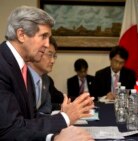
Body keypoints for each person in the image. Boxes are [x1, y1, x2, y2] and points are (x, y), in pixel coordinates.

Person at [0, 6, 94, 140]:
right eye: (43, 36)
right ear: (21, 35)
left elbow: (30, 119)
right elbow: (10, 130)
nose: (47, 44)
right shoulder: (2, 66)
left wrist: (60, 122)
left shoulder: (21, 67)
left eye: (49, 37)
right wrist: (65, 118)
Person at [28, 36, 63, 114]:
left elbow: (46, 109)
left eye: (54, 56)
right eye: (49, 55)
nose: (53, 61)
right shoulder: (21, 76)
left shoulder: (45, 79)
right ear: (36, 53)